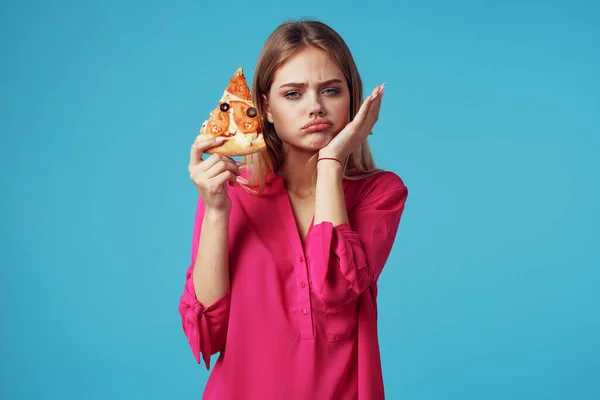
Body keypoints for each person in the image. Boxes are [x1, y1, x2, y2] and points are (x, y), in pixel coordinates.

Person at [178, 19, 409, 400]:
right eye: (293, 94)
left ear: (352, 98)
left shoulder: (380, 193)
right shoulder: (230, 190)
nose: (315, 107)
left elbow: (335, 288)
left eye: (331, 90)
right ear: (265, 108)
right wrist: (216, 210)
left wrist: (332, 160)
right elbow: (207, 334)